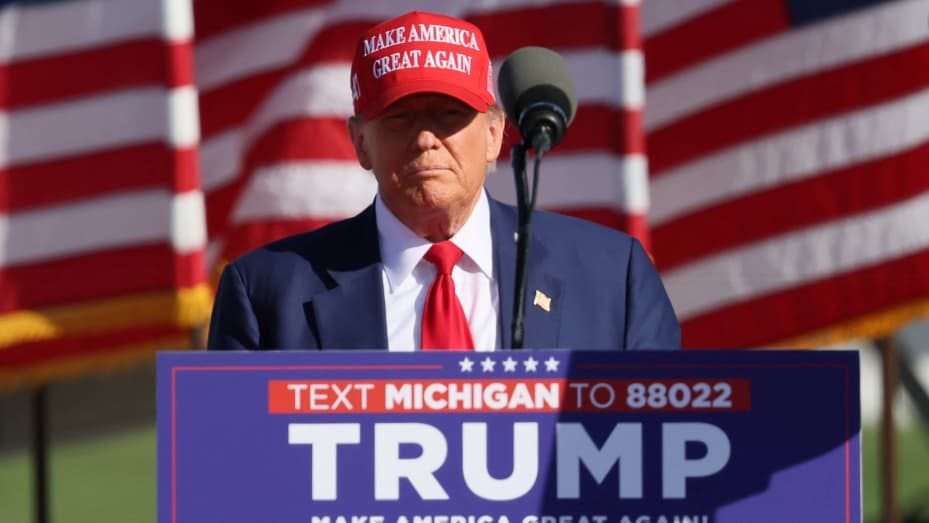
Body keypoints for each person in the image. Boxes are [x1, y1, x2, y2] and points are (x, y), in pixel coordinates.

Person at [207, 10, 680, 351]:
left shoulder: (612, 276)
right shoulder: (267, 294)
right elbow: (238, 473)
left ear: (495, 134)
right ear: (360, 143)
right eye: (399, 119)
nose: (426, 138)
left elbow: (658, 452)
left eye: (450, 115)